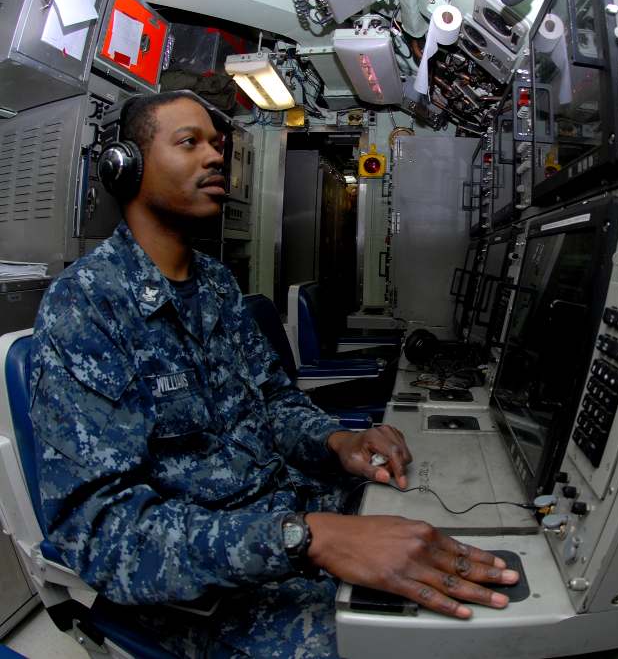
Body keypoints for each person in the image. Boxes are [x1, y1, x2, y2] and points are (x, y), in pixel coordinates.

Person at [30, 91, 519, 658]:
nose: (215, 157)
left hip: (289, 514)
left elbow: (273, 403)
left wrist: (338, 440)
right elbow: (102, 535)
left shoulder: (213, 285)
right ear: (127, 168)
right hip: (207, 592)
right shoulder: (86, 306)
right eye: (189, 143)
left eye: (217, 144)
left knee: (439, 523)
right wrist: (304, 537)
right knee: (420, 645)